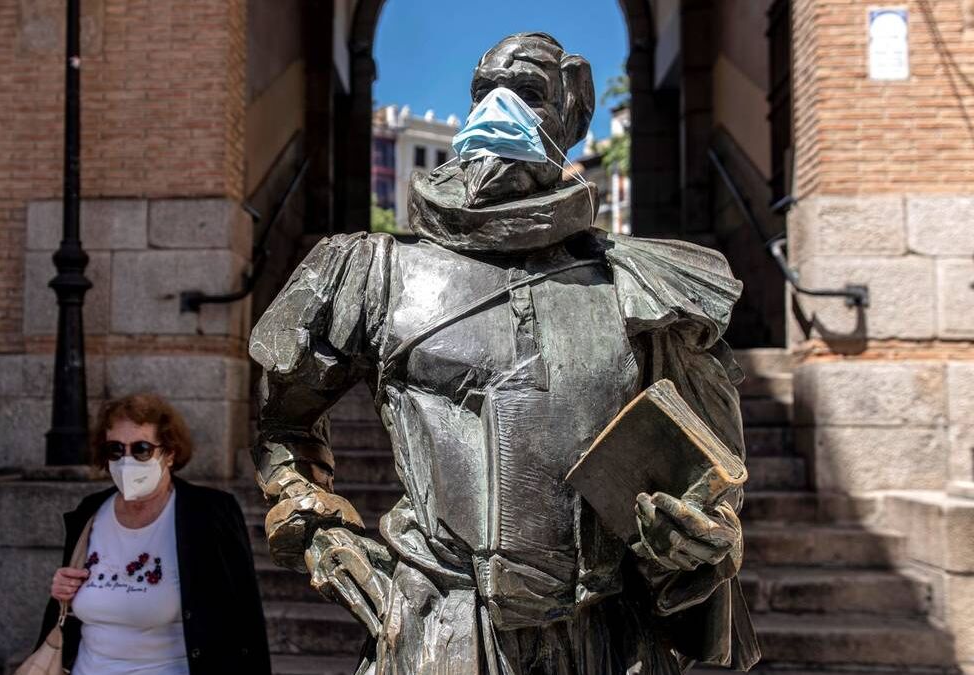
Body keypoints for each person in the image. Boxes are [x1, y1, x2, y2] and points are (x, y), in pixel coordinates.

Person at [249, 33, 759, 675]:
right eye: (483, 92)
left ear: (571, 114)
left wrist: (696, 540)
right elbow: (282, 425)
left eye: (526, 93)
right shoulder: (374, 272)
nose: (497, 108)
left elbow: (712, 475)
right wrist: (318, 527)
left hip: (606, 635)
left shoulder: (645, 290)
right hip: (441, 623)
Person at [37, 393, 271, 675]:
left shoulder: (209, 514)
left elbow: (244, 615)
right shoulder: (90, 512)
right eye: (115, 449)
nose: (127, 461)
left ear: (169, 454)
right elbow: (67, 607)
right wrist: (62, 590)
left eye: (141, 449)